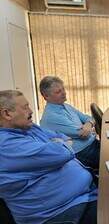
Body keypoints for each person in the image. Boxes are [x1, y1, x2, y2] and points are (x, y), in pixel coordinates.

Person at [0, 90, 97, 224]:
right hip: (61, 213)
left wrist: (58, 144)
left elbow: (63, 138)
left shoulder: (29, 128)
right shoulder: (5, 145)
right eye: (25, 107)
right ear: (7, 114)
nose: (31, 110)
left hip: (82, 196)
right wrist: (58, 145)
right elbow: (63, 153)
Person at [39, 76, 100, 169]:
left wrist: (88, 124)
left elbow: (88, 117)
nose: (64, 93)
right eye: (58, 92)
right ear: (46, 96)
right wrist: (89, 126)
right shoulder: (51, 117)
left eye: (63, 89)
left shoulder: (66, 106)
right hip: (82, 152)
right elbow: (84, 134)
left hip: (91, 144)